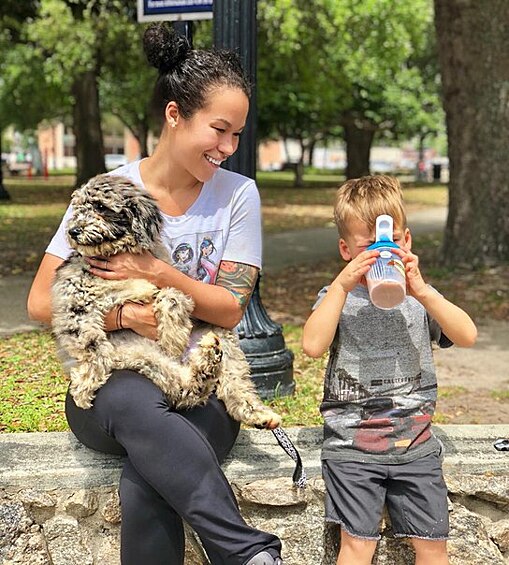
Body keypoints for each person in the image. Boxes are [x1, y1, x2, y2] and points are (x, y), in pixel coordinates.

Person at [27, 23, 283, 565]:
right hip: (113, 391)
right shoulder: (106, 194)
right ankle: (247, 553)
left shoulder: (239, 195)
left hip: (203, 383)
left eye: (237, 134)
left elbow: (232, 309)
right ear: (174, 114)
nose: (228, 148)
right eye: (218, 130)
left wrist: (160, 273)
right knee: (129, 401)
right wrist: (123, 315)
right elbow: (39, 302)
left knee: (147, 482)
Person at [302, 175, 477, 565]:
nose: (383, 252)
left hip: (416, 447)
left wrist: (424, 291)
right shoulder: (337, 299)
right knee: (358, 544)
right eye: (368, 246)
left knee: (433, 545)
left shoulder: (418, 300)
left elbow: (466, 335)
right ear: (346, 250)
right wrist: (341, 287)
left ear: (407, 241)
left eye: (392, 241)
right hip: (352, 449)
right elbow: (312, 346)